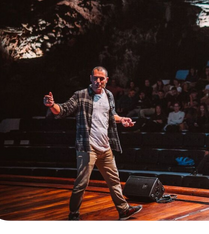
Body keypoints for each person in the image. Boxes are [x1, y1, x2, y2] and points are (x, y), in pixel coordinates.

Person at [43, 66, 142, 223]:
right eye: (95, 78)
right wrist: (51, 105)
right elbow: (62, 110)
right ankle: (74, 214)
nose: (98, 81)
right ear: (90, 78)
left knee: (114, 180)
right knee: (81, 183)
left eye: (101, 78)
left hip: (105, 147)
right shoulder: (81, 95)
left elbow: (111, 115)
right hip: (88, 147)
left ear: (106, 80)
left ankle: (123, 210)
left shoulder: (108, 95)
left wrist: (122, 119)